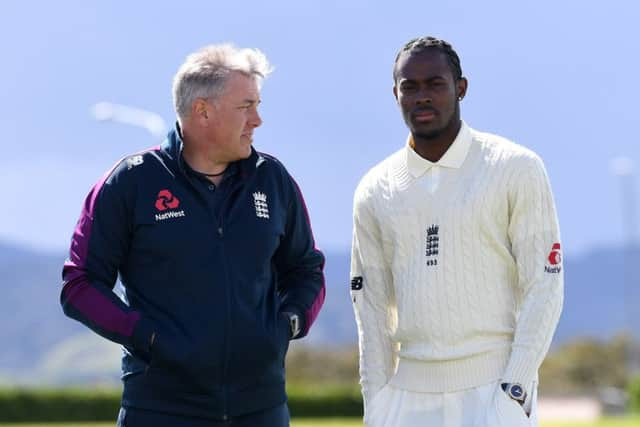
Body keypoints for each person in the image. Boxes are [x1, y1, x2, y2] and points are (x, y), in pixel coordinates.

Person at [60, 44, 325, 427]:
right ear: (203, 110)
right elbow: (79, 284)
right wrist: (147, 337)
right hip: (161, 410)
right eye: (245, 106)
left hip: (261, 408)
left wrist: (288, 325)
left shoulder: (273, 180)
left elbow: (306, 270)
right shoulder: (131, 182)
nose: (258, 120)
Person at [350, 36, 563, 427]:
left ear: (461, 88)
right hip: (406, 399)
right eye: (409, 87)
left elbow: (544, 287)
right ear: (395, 94)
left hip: (493, 393)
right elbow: (372, 309)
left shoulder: (516, 167)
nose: (422, 97)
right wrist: (377, 406)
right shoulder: (374, 189)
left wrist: (514, 391)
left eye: (435, 84)